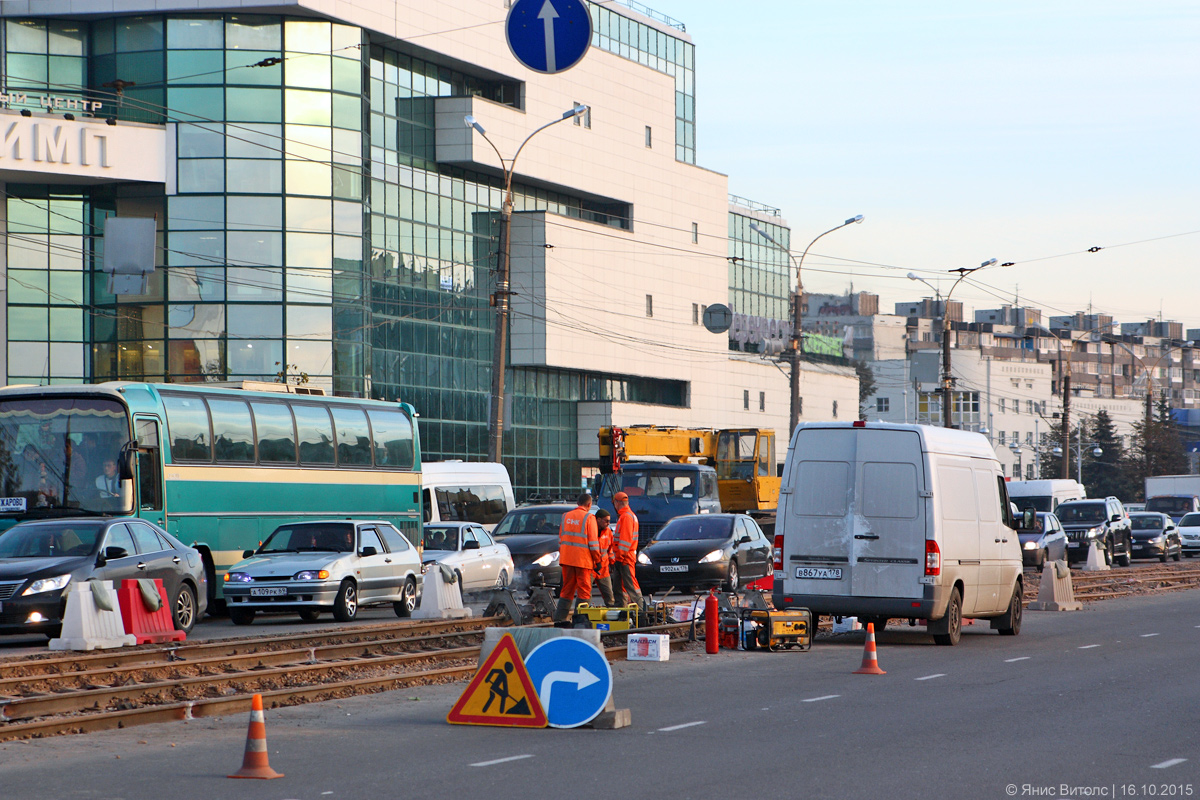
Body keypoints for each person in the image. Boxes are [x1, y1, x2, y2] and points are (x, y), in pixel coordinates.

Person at [554, 492, 600, 623]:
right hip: (583, 561)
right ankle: (579, 621)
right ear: (589, 504)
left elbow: (561, 540)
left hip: (567, 560)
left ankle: (559, 620)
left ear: (578, 503)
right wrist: (598, 561)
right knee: (584, 591)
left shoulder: (565, 517)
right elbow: (593, 543)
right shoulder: (589, 518)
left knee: (566, 590)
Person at [611, 491, 644, 609]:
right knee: (619, 587)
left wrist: (619, 558)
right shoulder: (628, 516)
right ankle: (621, 609)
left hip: (624, 558)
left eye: (614, 503)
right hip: (624, 557)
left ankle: (641, 610)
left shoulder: (626, 517)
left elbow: (625, 541)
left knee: (631, 586)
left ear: (618, 503)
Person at [594, 509, 615, 607]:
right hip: (591, 567)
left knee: (609, 596)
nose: (608, 523)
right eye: (606, 521)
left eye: (609, 521)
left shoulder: (608, 532)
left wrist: (612, 562)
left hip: (604, 568)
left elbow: (610, 550)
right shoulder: (590, 531)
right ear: (598, 520)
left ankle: (612, 615)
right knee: (585, 595)